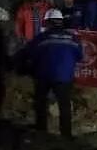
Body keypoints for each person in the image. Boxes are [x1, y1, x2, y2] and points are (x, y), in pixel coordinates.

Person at [15, 9, 82, 138]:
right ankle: (66, 135)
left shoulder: (42, 38)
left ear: (48, 22)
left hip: (44, 75)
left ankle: (41, 131)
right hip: (64, 77)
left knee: (41, 102)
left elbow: (29, 53)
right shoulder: (73, 38)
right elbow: (80, 56)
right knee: (64, 105)